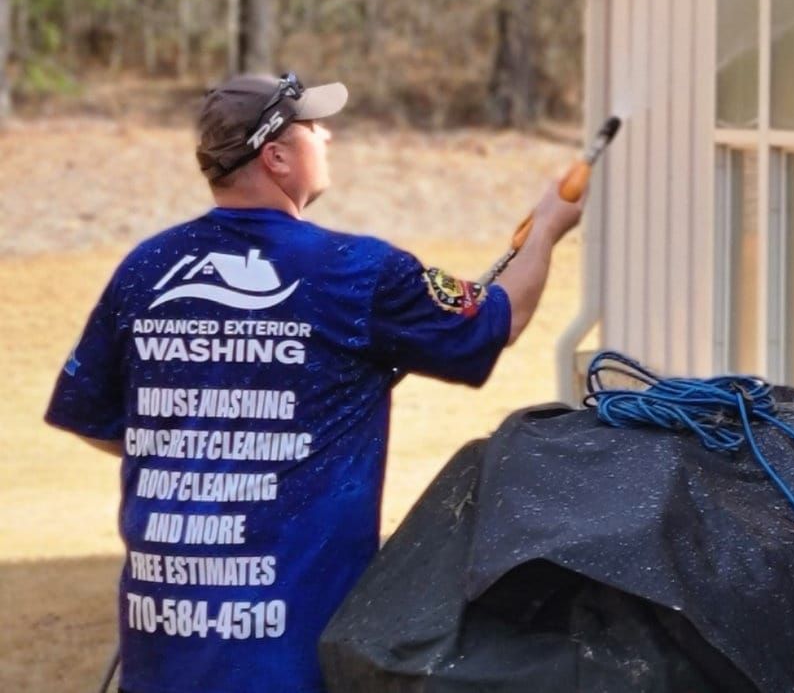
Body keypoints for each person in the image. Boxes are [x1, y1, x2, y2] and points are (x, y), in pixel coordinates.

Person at [45, 71, 583, 693]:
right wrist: (546, 227)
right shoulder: (355, 272)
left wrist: (197, 451)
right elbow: (500, 317)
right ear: (275, 155)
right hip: (290, 649)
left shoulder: (146, 270)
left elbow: (96, 418)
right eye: (312, 126)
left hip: (163, 639)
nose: (326, 135)